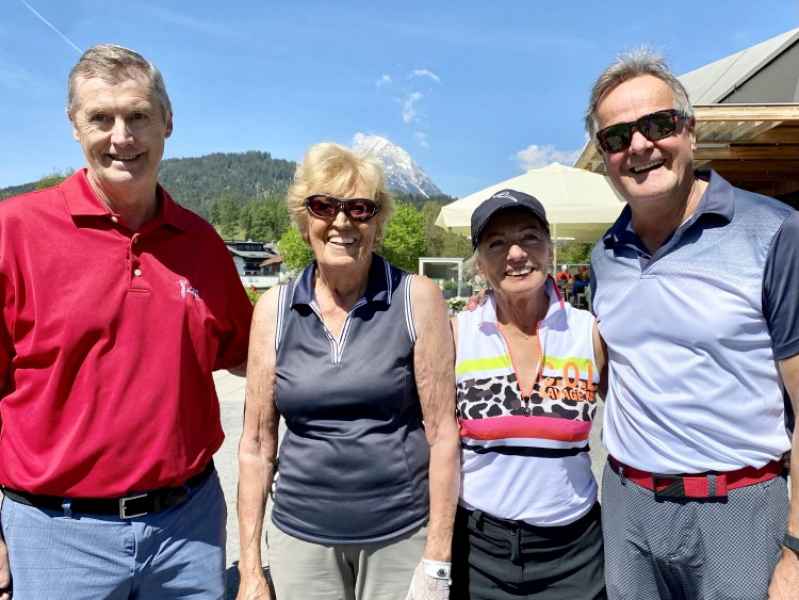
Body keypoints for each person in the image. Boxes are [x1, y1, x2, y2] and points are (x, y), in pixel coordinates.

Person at [0, 44, 253, 599]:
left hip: (188, 529)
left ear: (167, 122)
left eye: (138, 116)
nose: (122, 137)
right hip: (56, 534)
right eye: (101, 118)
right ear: (74, 125)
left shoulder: (201, 243)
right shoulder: (13, 232)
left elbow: (250, 355)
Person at [586, 49, 799, 599]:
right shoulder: (604, 256)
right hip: (629, 506)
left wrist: (797, 550)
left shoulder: (775, 232)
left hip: (739, 510)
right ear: (605, 156)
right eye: (617, 137)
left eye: (658, 124)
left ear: (690, 132)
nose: (639, 145)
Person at [236, 142, 460, 600]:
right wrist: (251, 570)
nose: (342, 221)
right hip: (301, 539)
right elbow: (256, 446)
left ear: (377, 225)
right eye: (324, 206)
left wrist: (437, 558)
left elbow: (442, 434)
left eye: (360, 208)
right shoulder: (275, 310)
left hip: (400, 535)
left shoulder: (416, 298)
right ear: (305, 223)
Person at [451, 189, 606, 599]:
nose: (516, 254)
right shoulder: (457, 335)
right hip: (478, 550)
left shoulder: (589, 332)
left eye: (529, 237)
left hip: (575, 552)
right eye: (497, 243)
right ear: (479, 263)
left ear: (550, 249)